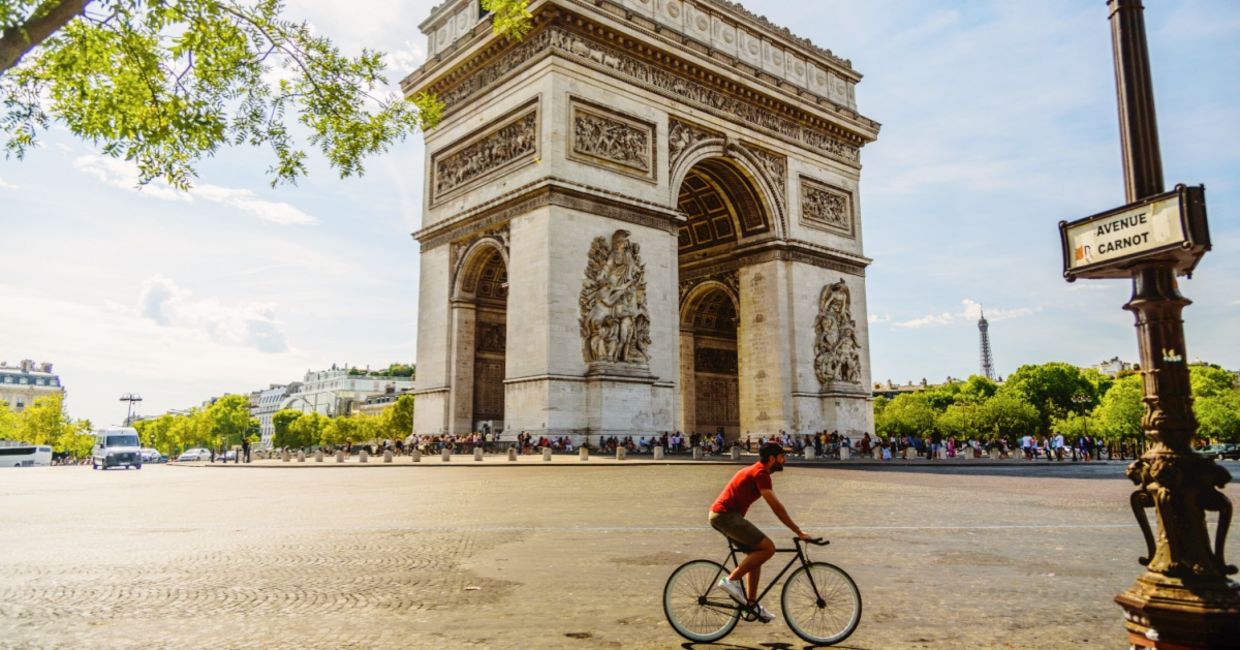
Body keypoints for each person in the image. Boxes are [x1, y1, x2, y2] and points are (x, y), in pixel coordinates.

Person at [709, 442, 811, 623]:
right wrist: (798, 531)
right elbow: (776, 508)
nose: (784, 460)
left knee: (757, 553)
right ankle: (730, 580)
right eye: (781, 456)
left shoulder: (756, 470)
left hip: (723, 515)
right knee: (768, 548)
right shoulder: (761, 473)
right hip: (725, 515)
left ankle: (751, 605)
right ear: (772, 458)